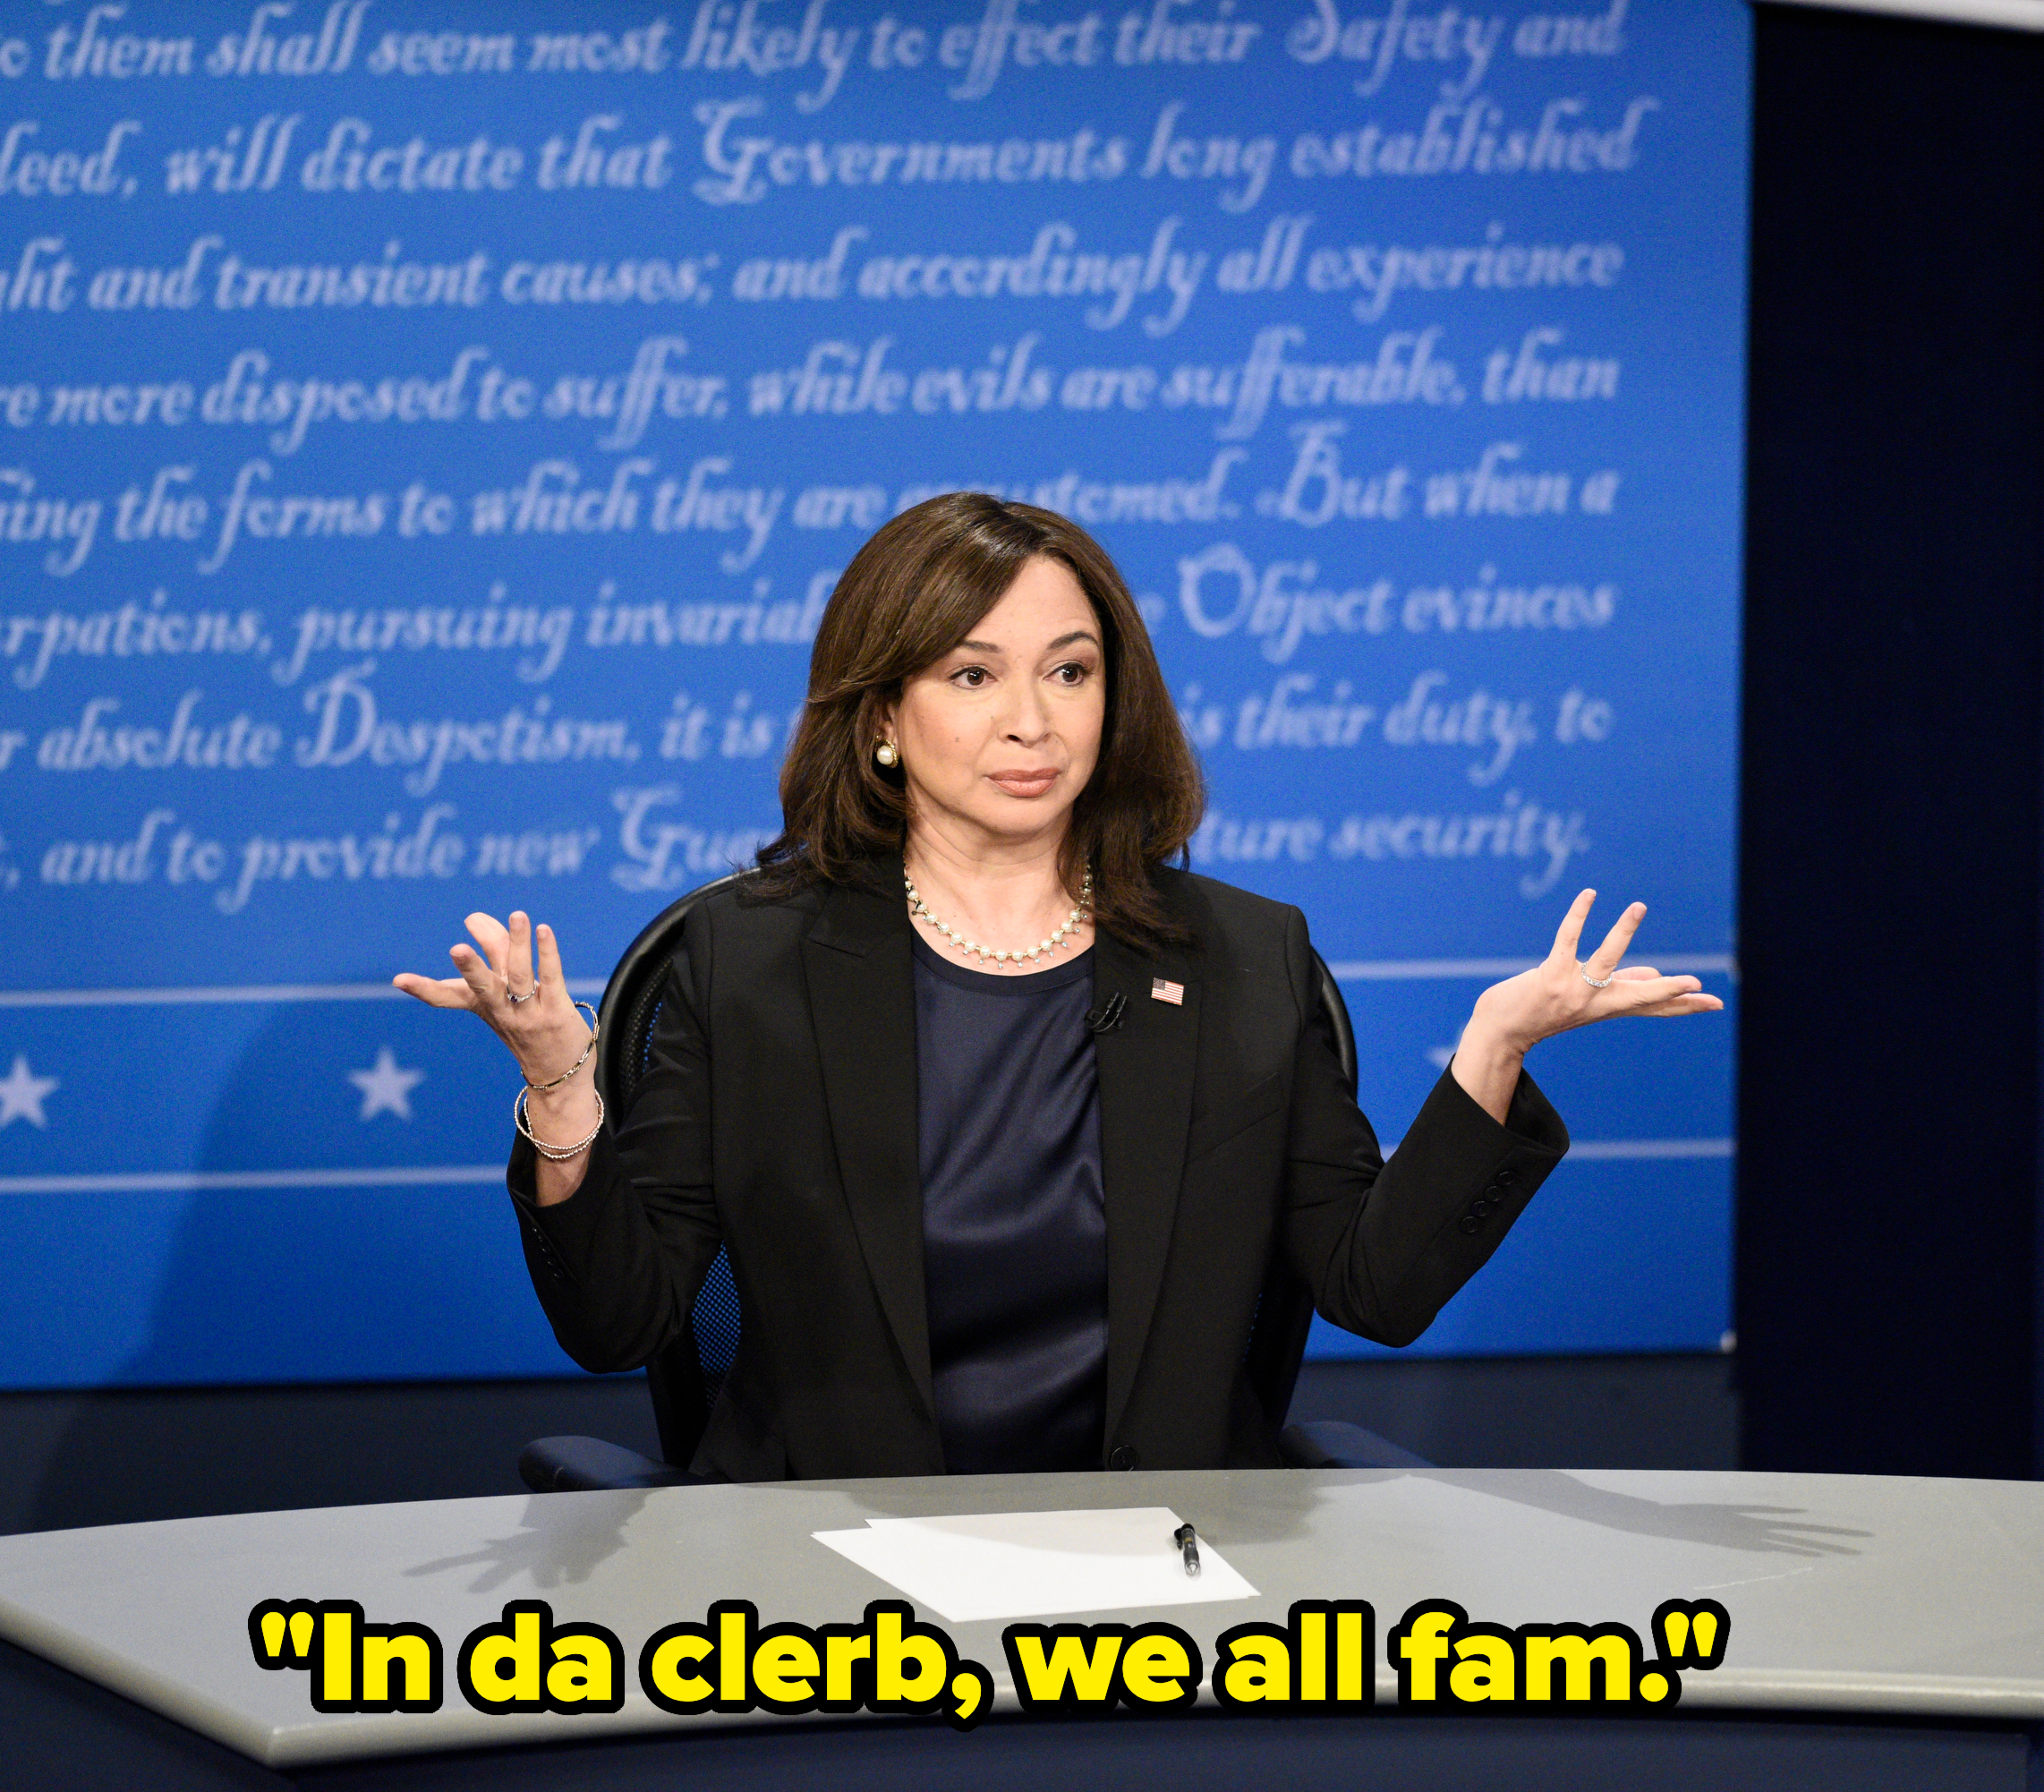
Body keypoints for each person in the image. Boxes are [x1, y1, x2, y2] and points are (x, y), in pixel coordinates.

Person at [396, 493, 1720, 1479]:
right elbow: (618, 1314)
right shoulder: (749, 964)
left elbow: (1373, 1284)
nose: (1034, 720)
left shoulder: (1242, 959)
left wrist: (1490, 1050)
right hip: (836, 1585)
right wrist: (564, 1089)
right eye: (973, 674)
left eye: (1070, 671)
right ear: (879, 720)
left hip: (1163, 1590)